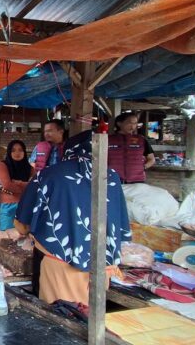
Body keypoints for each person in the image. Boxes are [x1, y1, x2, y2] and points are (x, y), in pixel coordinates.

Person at [15, 130, 131, 305]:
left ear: (68, 149)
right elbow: (120, 221)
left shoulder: (49, 174)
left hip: (58, 263)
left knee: (60, 313)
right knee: (91, 311)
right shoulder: (111, 176)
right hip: (102, 263)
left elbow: (23, 223)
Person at [0, 140, 34, 230]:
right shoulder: (3, 165)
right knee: (6, 234)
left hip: (25, 205)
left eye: (20, 150)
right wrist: (26, 187)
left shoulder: (30, 168)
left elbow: (34, 186)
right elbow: (7, 185)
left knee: (24, 234)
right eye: (13, 150)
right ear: (9, 152)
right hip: (8, 206)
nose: (17, 153)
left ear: (24, 152)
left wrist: (19, 183)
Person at [108, 112, 155, 183]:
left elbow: (151, 159)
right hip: (113, 181)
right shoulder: (108, 139)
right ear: (119, 123)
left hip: (137, 180)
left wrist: (142, 167)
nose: (133, 126)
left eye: (135, 123)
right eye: (130, 123)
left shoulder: (141, 140)